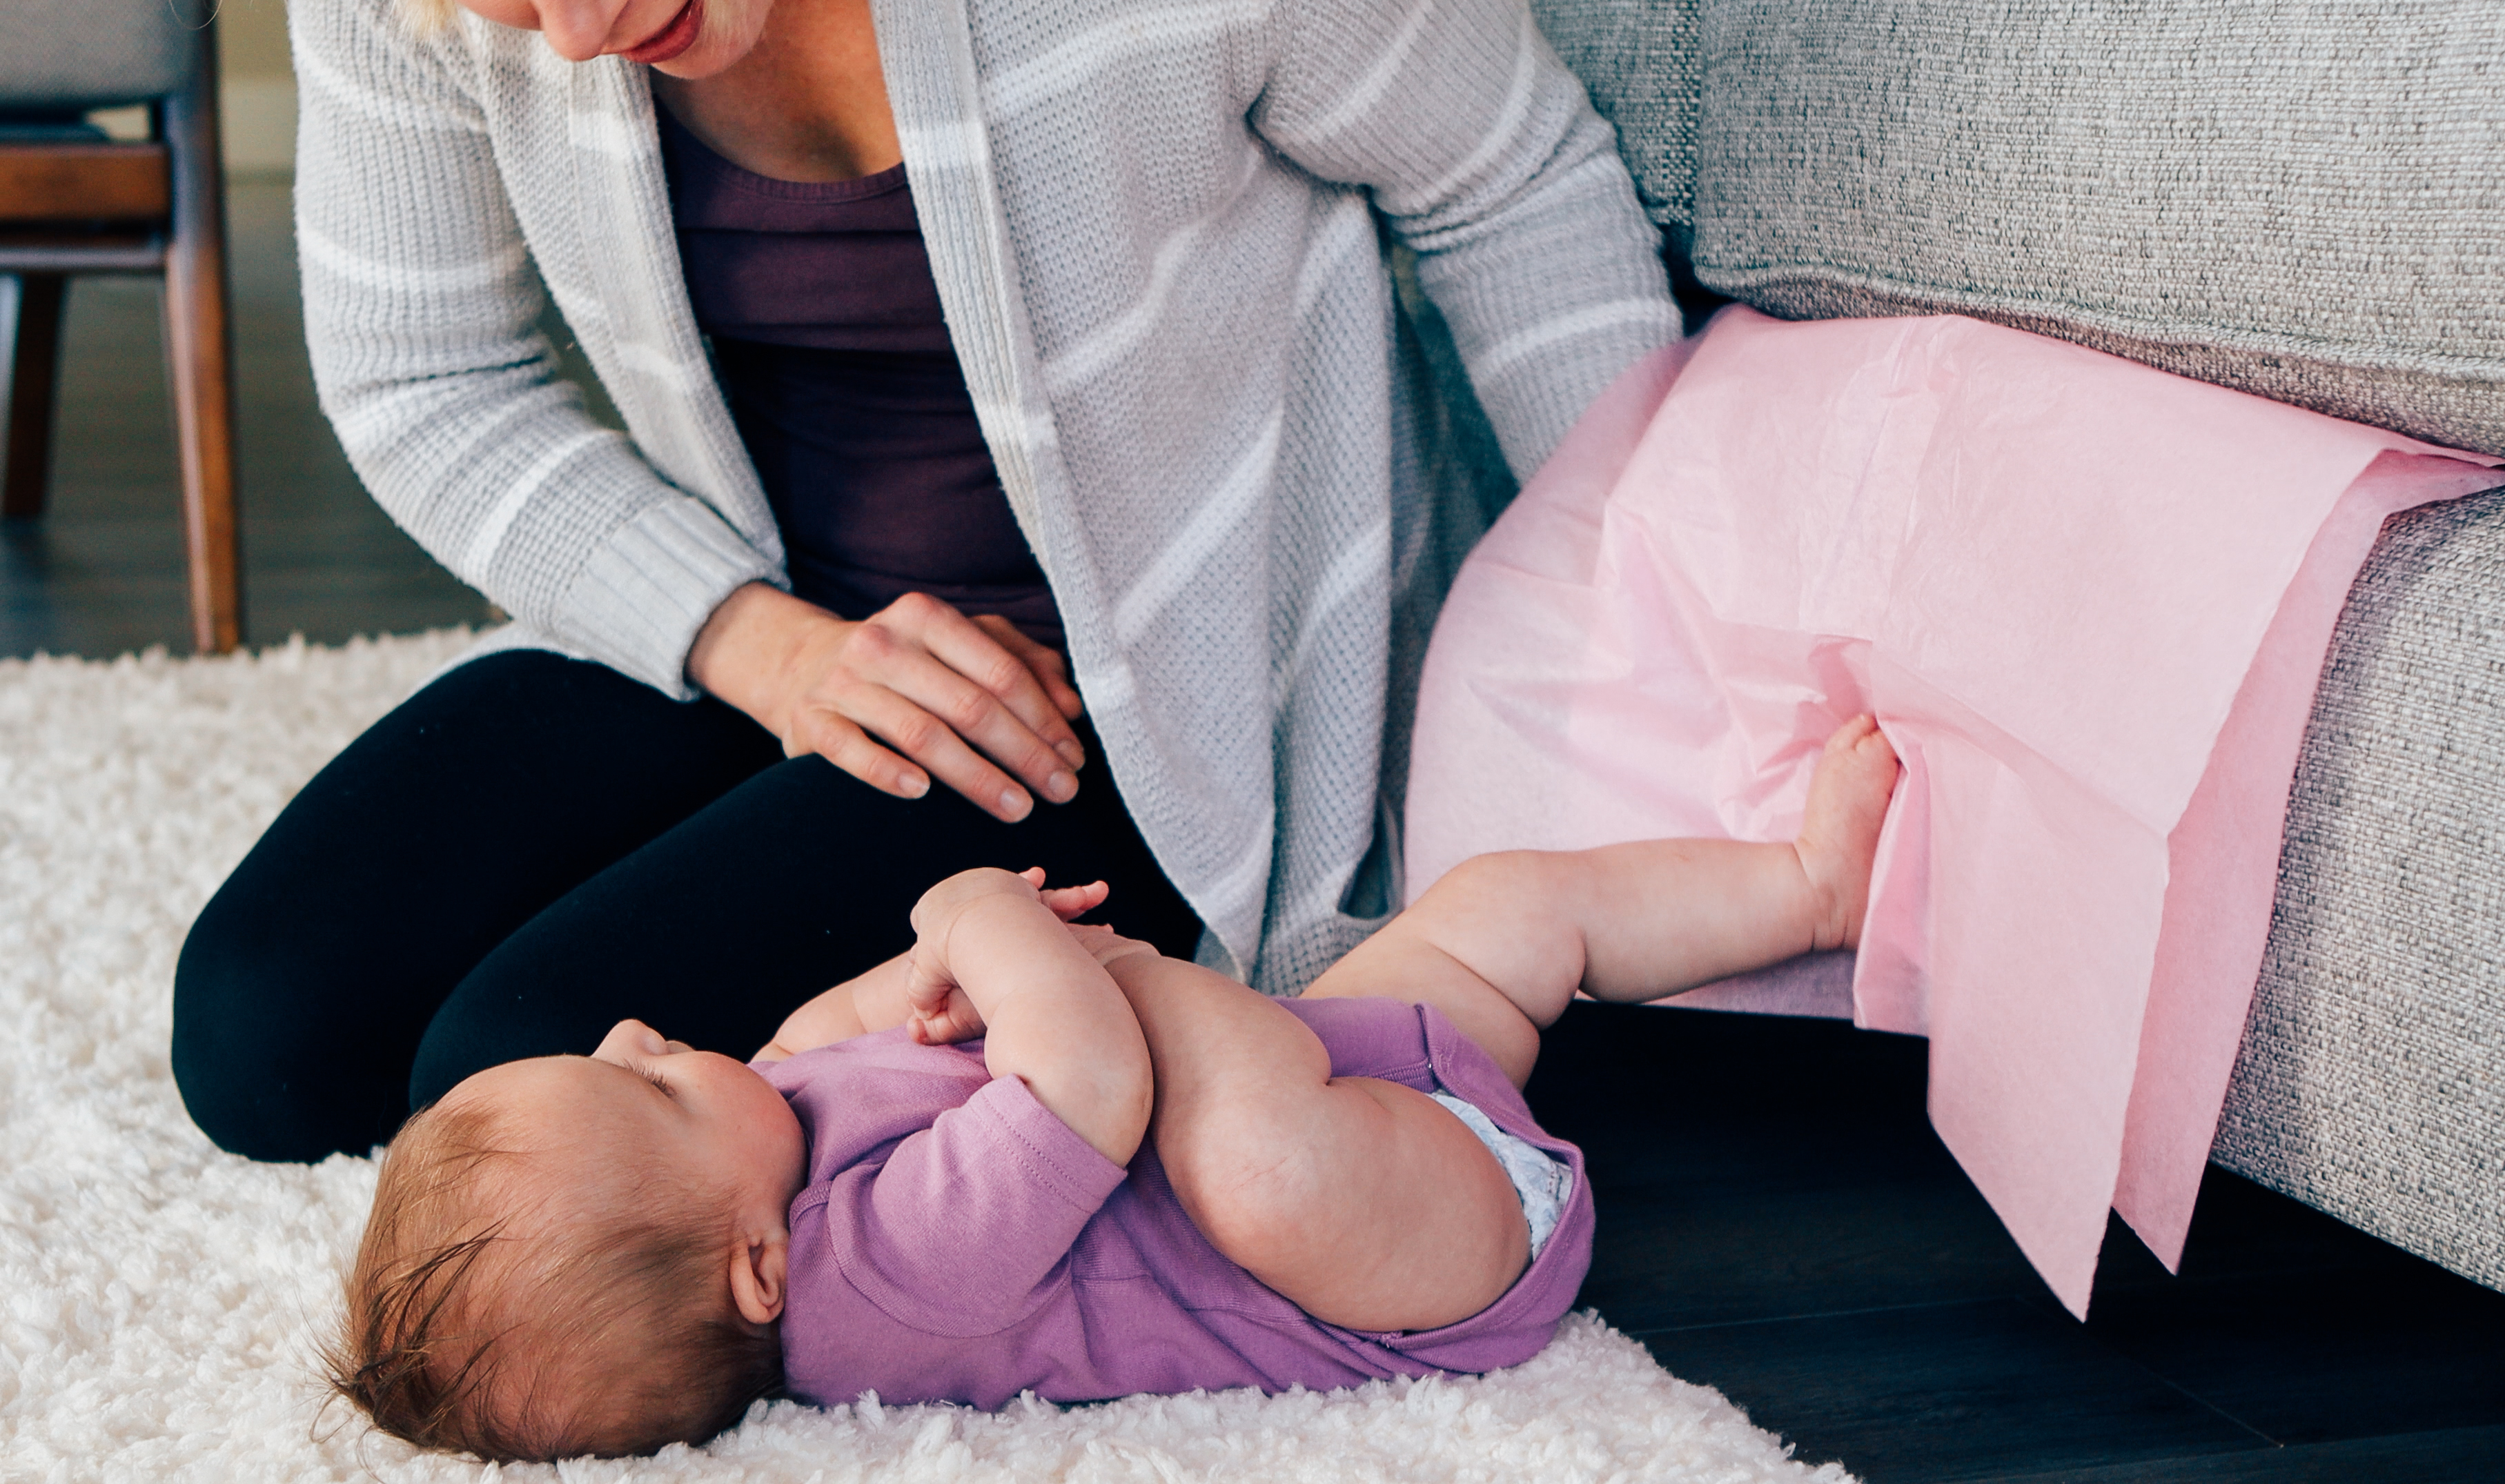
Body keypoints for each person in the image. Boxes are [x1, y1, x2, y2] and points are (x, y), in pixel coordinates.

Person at [170, 0, 1680, 1162]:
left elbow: (1513, 176)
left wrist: (1639, 640)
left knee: (530, 1069)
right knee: (265, 1034)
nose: (575, 36)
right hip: (765, 615)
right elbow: (424, 381)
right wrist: (757, 646)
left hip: (1142, 697)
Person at [326, 717, 1900, 1462]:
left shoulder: (778, 1124)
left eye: (621, 1051)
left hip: (1345, 1078)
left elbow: (845, 1030)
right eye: (653, 1096)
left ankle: (1810, 889)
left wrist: (919, 983)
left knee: (1503, 907)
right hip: (1386, 1256)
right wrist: (975, 917)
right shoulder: (871, 1280)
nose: (634, 1033)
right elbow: (1084, 1081)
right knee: (1238, 1150)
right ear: (756, 1269)